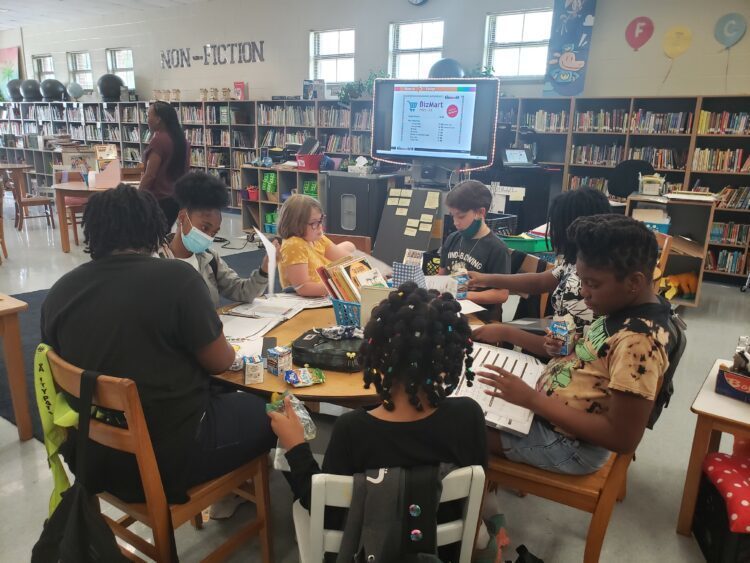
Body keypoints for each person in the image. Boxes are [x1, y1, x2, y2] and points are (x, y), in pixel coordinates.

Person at [41, 185, 276, 504]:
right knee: (275, 412)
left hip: (91, 457)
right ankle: (234, 500)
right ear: (154, 226)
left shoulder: (59, 293)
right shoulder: (177, 279)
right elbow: (221, 362)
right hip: (167, 458)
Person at [268, 282, 496, 559]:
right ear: (451, 358)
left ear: (375, 356)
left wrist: (296, 447)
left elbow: (327, 513)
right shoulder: (468, 415)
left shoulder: (352, 430)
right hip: (441, 551)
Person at [477, 215, 672, 475]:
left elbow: (622, 438)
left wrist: (531, 399)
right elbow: (584, 356)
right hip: (546, 413)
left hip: (569, 447)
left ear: (634, 282)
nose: (582, 292)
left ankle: (479, 501)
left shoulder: (639, 342)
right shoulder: (619, 307)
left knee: (455, 428)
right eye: (581, 280)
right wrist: (555, 346)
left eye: (592, 284)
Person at [470, 187, 612, 357]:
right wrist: (485, 279)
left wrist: (505, 332)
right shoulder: (580, 261)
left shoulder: (581, 285)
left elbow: (557, 350)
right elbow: (540, 281)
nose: (552, 231)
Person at [159, 171, 275, 307]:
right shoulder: (157, 261)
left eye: (214, 233)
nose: (207, 237)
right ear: (183, 217)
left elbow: (242, 291)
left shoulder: (209, 258)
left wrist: (264, 270)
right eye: (204, 228)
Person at [439, 180, 511, 321]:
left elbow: (502, 294)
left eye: (461, 216)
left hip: (482, 318)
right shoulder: (453, 238)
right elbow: (442, 274)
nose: (455, 222)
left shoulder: (497, 248)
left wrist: (463, 295)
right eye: (452, 216)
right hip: (452, 312)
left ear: (480, 212)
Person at [277, 193, 356, 297]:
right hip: (312, 299)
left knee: (350, 246)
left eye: (321, 220)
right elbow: (303, 287)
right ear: (295, 224)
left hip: (327, 288)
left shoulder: (317, 238)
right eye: (314, 223)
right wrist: (342, 286)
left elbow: (347, 259)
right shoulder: (294, 244)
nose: (320, 227)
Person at [140, 101, 189, 231]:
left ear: (158, 120)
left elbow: (150, 175)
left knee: (152, 237)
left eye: (148, 115)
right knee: (162, 235)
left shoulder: (158, 141)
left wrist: (137, 196)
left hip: (159, 199)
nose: (147, 119)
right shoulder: (181, 140)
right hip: (175, 199)